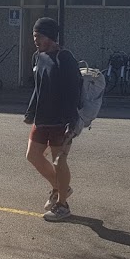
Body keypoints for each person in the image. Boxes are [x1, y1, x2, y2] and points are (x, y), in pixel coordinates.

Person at [24, 17, 83, 221]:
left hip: (61, 121)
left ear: (50, 36)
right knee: (32, 156)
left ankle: (62, 205)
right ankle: (60, 189)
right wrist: (31, 112)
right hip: (42, 118)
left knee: (59, 161)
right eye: (34, 36)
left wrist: (71, 121)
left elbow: (73, 91)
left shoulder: (64, 58)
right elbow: (38, 88)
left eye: (38, 36)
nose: (35, 40)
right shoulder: (38, 57)